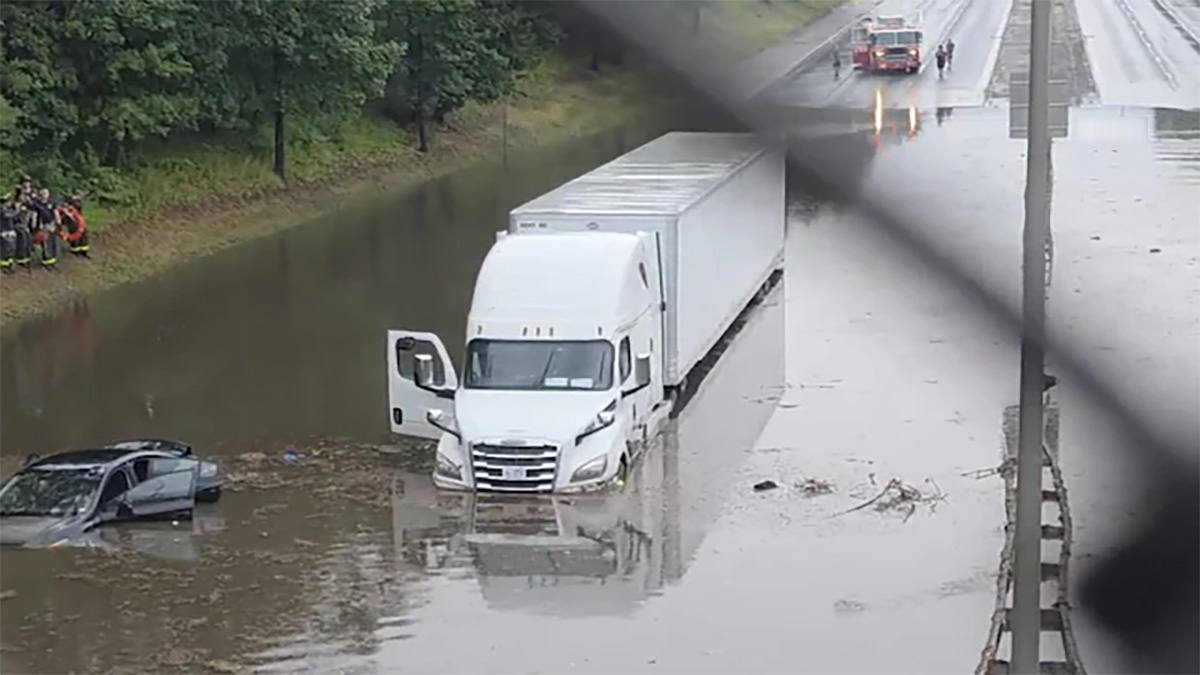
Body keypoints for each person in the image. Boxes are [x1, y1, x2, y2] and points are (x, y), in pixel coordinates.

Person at [30, 188, 60, 269]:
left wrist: (58, 221)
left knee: (53, 243)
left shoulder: (51, 203)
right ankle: (46, 261)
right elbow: (34, 216)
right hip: (43, 226)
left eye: (46, 194)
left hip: (52, 224)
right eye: (43, 194)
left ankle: (53, 261)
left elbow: (55, 213)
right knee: (46, 243)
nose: (45, 195)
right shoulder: (37, 205)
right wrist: (34, 226)